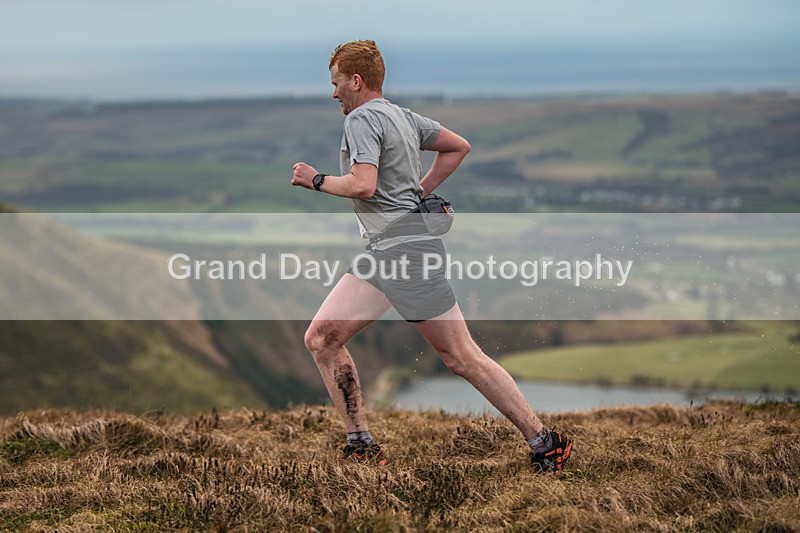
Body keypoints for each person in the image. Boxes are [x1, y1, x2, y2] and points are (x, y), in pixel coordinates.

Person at [291, 40, 573, 472]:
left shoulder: (361, 119)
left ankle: (545, 442)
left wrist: (316, 180)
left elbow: (363, 184)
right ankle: (360, 443)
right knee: (322, 339)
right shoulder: (403, 117)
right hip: (386, 250)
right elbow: (458, 146)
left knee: (461, 357)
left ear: (356, 81)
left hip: (405, 252)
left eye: (336, 83)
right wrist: (416, 194)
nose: (334, 93)